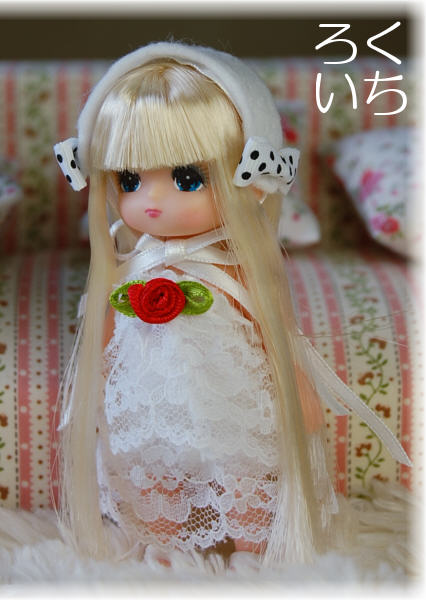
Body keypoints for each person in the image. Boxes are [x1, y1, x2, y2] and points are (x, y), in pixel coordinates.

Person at [54, 42, 410, 564]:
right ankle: (165, 545)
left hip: (227, 393)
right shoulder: (131, 263)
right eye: (130, 180)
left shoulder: (234, 266)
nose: (152, 201)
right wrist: (99, 382)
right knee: (152, 466)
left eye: (187, 179)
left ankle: (253, 546)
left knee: (242, 464)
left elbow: (274, 327)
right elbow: (107, 325)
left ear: (249, 180)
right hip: (149, 398)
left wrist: (298, 385)